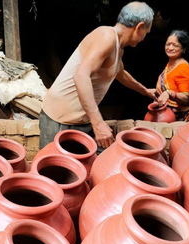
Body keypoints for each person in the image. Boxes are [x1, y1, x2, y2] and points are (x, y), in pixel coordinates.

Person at [39, 2, 156, 150]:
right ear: (139, 27)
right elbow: (81, 75)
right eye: (147, 31)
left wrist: (144, 91)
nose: (144, 38)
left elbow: (120, 73)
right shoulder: (107, 37)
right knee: (54, 169)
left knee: (94, 164)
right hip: (60, 120)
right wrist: (99, 124)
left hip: (81, 119)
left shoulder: (118, 46)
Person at [155, 30, 189, 121]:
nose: (170, 48)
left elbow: (187, 99)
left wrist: (169, 94)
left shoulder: (184, 68)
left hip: (179, 120)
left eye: (175, 45)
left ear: (183, 49)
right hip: (165, 114)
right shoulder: (170, 64)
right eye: (168, 44)